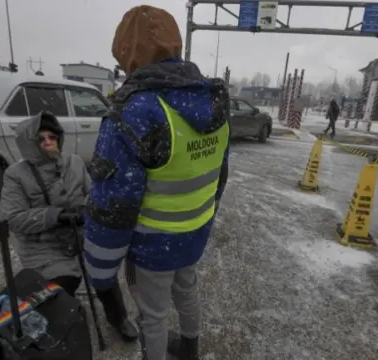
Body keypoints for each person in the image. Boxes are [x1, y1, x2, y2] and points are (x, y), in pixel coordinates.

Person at [83, 5, 230, 360]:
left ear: (128, 55)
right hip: (194, 232)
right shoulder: (214, 103)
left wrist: (99, 268)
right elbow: (219, 176)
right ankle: (190, 348)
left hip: (152, 244)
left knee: (154, 313)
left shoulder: (134, 111)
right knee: (187, 289)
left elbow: (114, 204)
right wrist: (203, 220)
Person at [0, 111, 138, 342]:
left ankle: (118, 318)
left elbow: (92, 194)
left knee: (103, 273)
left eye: (52, 136)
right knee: (62, 285)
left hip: (81, 234)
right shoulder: (16, 174)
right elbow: (14, 218)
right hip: (44, 245)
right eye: (41, 138)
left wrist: (87, 210)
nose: (48, 142)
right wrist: (57, 215)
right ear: (30, 143)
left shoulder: (74, 161)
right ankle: (61, 322)